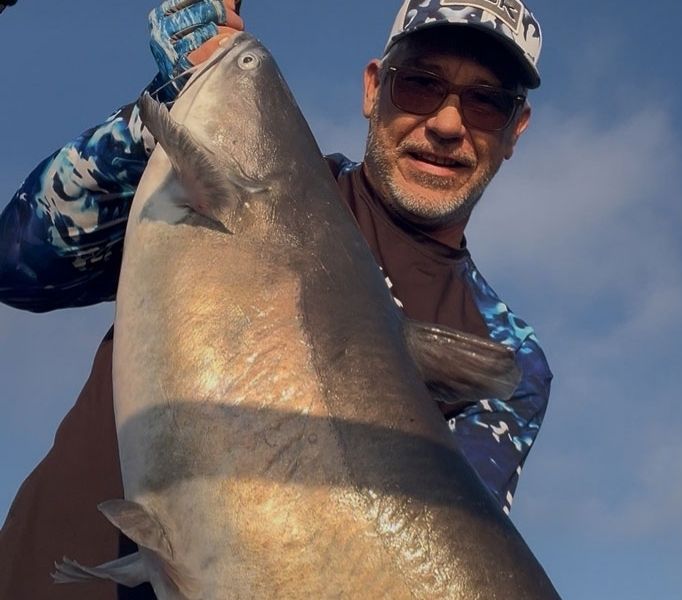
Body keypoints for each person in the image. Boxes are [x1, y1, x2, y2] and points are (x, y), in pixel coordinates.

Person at [0, 1, 553, 598]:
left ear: (515, 128)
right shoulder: (241, 162)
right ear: (374, 88)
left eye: (486, 101)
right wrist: (174, 101)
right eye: (421, 84)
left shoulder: (507, 360)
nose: (447, 123)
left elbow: (427, 561)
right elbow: (21, 266)